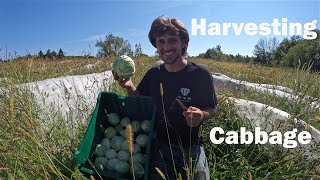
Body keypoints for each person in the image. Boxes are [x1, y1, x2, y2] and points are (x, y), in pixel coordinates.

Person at [114, 16, 217, 180]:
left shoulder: (200, 74)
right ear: (156, 45)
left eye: (172, 40)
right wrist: (130, 87)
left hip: (192, 145)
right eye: (161, 41)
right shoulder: (153, 74)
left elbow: (211, 108)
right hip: (161, 144)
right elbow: (141, 101)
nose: (166, 46)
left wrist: (201, 115)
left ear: (183, 42)